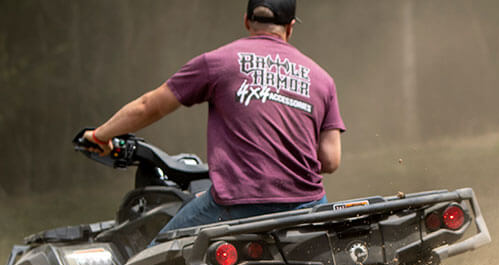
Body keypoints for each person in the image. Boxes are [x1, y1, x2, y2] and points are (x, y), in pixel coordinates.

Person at [84, 0, 344, 236]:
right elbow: (330, 160)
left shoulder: (218, 62)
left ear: (246, 21)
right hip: (307, 207)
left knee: (153, 263)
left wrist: (100, 136)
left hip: (237, 204)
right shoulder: (322, 79)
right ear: (290, 27)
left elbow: (148, 106)